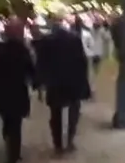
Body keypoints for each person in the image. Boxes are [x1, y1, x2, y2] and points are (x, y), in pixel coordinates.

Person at [37, 15, 91, 153]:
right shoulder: (74, 39)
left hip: (54, 82)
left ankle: (58, 144)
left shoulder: (46, 41)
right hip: (72, 81)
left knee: (55, 113)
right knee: (74, 110)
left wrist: (40, 86)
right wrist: (84, 83)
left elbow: (41, 65)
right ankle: (70, 140)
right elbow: (82, 62)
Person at [0, 19, 37, 163]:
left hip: (2, 91)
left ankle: (10, 146)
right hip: (18, 91)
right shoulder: (22, 50)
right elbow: (30, 69)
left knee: (7, 120)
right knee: (16, 122)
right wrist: (35, 83)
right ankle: (14, 152)